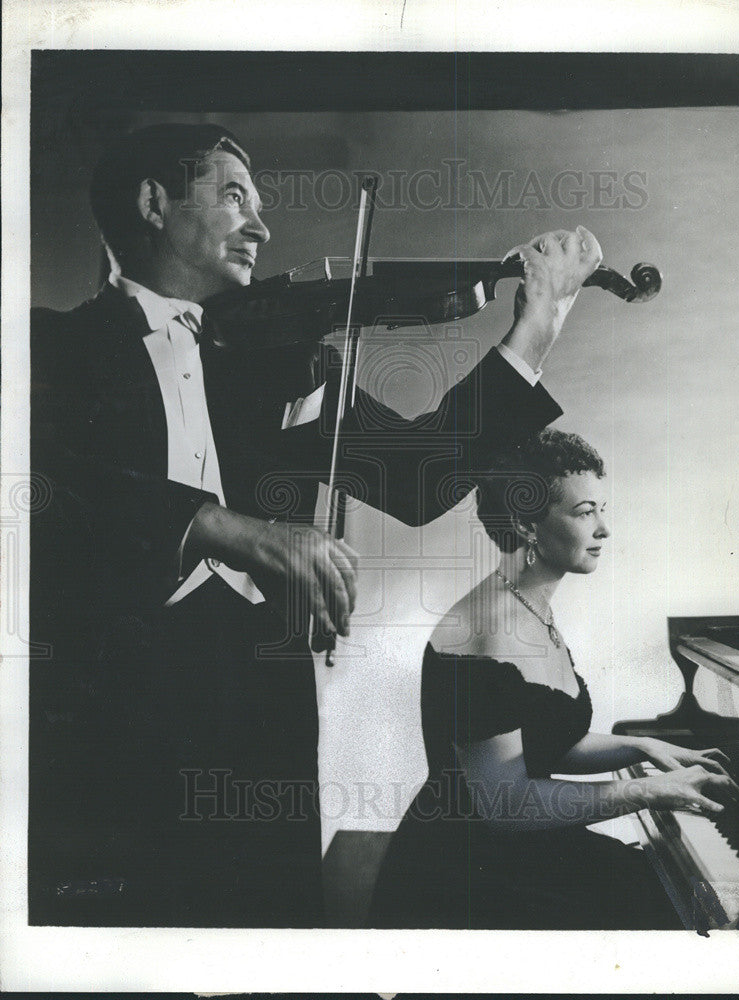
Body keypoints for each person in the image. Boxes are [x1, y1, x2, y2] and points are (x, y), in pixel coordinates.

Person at [28, 123, 604, 927]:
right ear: (154, 204)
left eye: (259, 203)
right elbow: (48, 486)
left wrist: (533, 329)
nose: (261, 225)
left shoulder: (276, 360)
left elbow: (417, 474)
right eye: (233, 196)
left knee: (266, 925)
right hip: (100, 720)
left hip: (254, 704)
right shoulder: (47, 349)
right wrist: (229, 528)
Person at [369, 428, 739, 929]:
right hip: (468, 875)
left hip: (515, 849)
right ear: (527, 524)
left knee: (666, 893)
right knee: (671, 905)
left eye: (601, 509)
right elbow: (504, 804)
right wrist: (649, 791)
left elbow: (544, 742)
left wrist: (646, 748)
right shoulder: (490, 633)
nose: (604, 529)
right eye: (586, 512)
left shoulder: (529, 604)